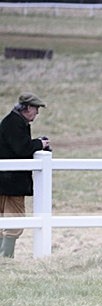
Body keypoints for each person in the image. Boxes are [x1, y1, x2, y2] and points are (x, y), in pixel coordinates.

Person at [0, 93, 51, 259]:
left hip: (4, 181)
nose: (37, 113)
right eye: (36, 109)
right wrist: (39, 144)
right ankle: (5, 258)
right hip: (12, 183)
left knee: (3, 219)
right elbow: (21, 148)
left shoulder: (11, 122)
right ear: (28, 108)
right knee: (15, 220)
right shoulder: (15, 124)